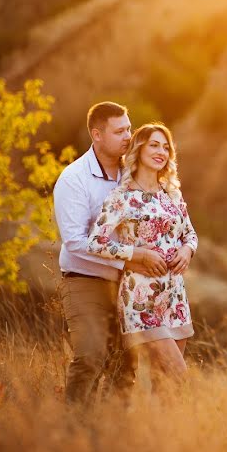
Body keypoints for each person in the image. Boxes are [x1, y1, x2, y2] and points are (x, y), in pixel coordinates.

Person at [53, 102, 163, 406]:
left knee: (125, 365)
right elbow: (74, 241)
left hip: (129, 285)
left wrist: (183, 248)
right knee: (90, 355)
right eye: (119, 131)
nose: (128, 136)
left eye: (129, 128)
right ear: (97, 135)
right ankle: (74, 428)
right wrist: (131, 255)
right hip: (85, 279)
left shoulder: (135, 173)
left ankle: (110, 435)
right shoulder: (74, 179)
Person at [87, 123, 197, 385]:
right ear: (139, 148)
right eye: (154, 145)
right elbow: (95, 242)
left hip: (175, 297)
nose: (162, 151)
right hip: (141, 298)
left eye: (166, 147)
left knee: (166, 386)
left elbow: (190, 234)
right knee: (180, 377)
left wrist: (187, 249)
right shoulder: (121, 197)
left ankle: (158, 428)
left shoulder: (171, 194)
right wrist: (134, 254)